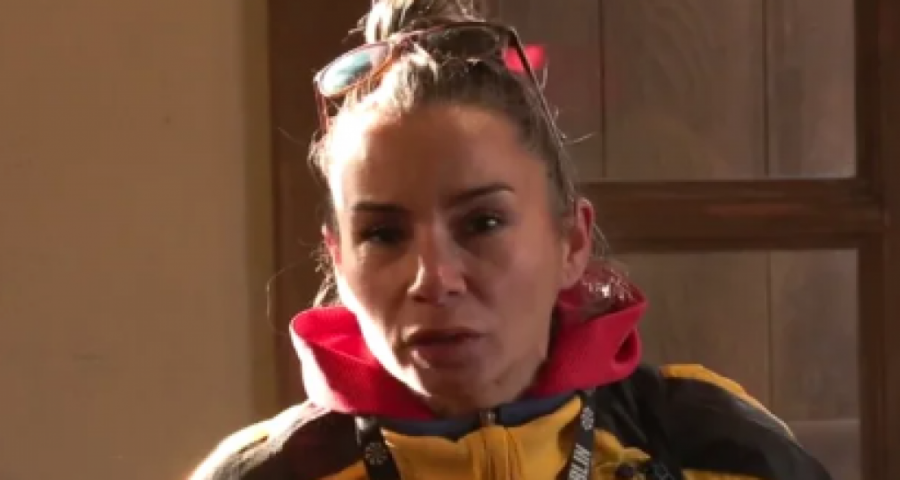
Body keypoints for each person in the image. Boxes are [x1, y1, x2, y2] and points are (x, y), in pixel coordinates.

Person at [191, 0, 832, 478]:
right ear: (337, 259)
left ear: (571, 242)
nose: (434, 279)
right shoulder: (267, 472)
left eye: (483, 223)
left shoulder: (712, 445)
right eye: (383, 234)